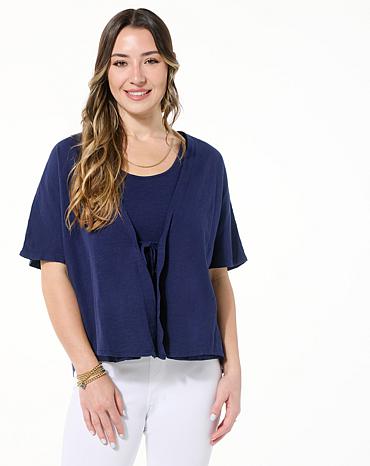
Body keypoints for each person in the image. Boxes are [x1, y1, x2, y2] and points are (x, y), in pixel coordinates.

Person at [19, 8, 248, 466]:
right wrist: (89, 373)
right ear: (105, 71)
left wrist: (233, 368)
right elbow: (53, 273)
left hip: (193, 376)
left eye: (151, 60)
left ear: (169, 67)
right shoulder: (71, 161)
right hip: (107, 373)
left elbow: (217, 275)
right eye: (121, 62)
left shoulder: (207, 165)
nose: (137, 76)